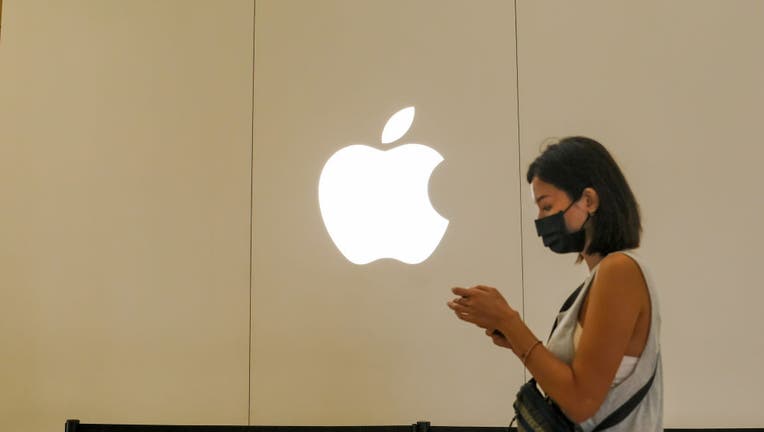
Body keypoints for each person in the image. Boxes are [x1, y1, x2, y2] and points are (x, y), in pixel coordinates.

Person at [447, 136, 662, 431]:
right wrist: (514, 339)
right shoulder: (604, 275)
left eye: (546, 206)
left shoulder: (618, 271)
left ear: (589, 200)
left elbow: (580, 402)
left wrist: (510, 322)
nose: (540, 220)